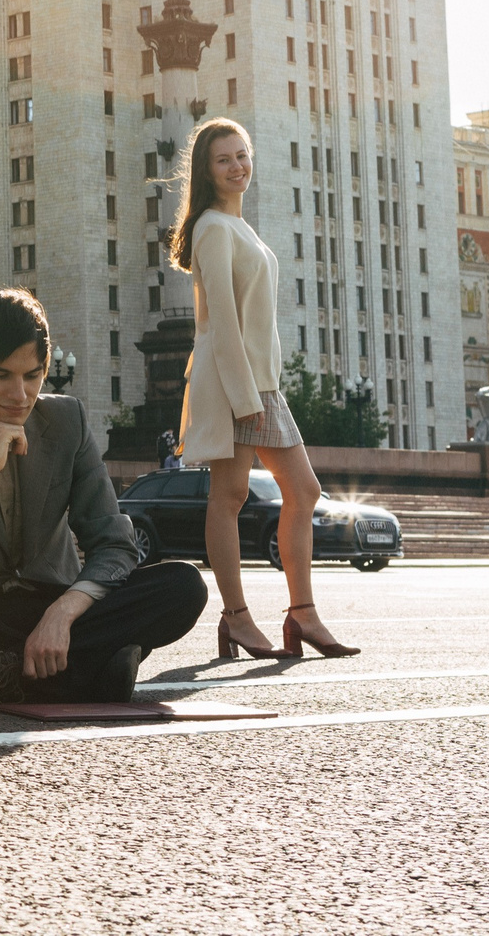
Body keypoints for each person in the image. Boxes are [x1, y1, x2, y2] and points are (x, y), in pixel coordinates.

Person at [0, 289, 207, 706]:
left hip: (55, 603)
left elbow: (114, 544)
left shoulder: (67, 421)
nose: (20, 395)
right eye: (2, 375)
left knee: (183, 585)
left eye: (33, 375)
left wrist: (62, 614)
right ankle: (84, 672)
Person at [172, 117, 359, 660]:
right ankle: (237, 617)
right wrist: (246, 397)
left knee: (300, 492)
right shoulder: (211, 226)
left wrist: (264, 387)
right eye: (224, 159)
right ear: (206, 172)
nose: (238, 166)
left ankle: (301, 615)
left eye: (243, 155)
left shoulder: (239, 227)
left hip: (260, 382)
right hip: (236, 382)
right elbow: (222, 324)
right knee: (231, 498)